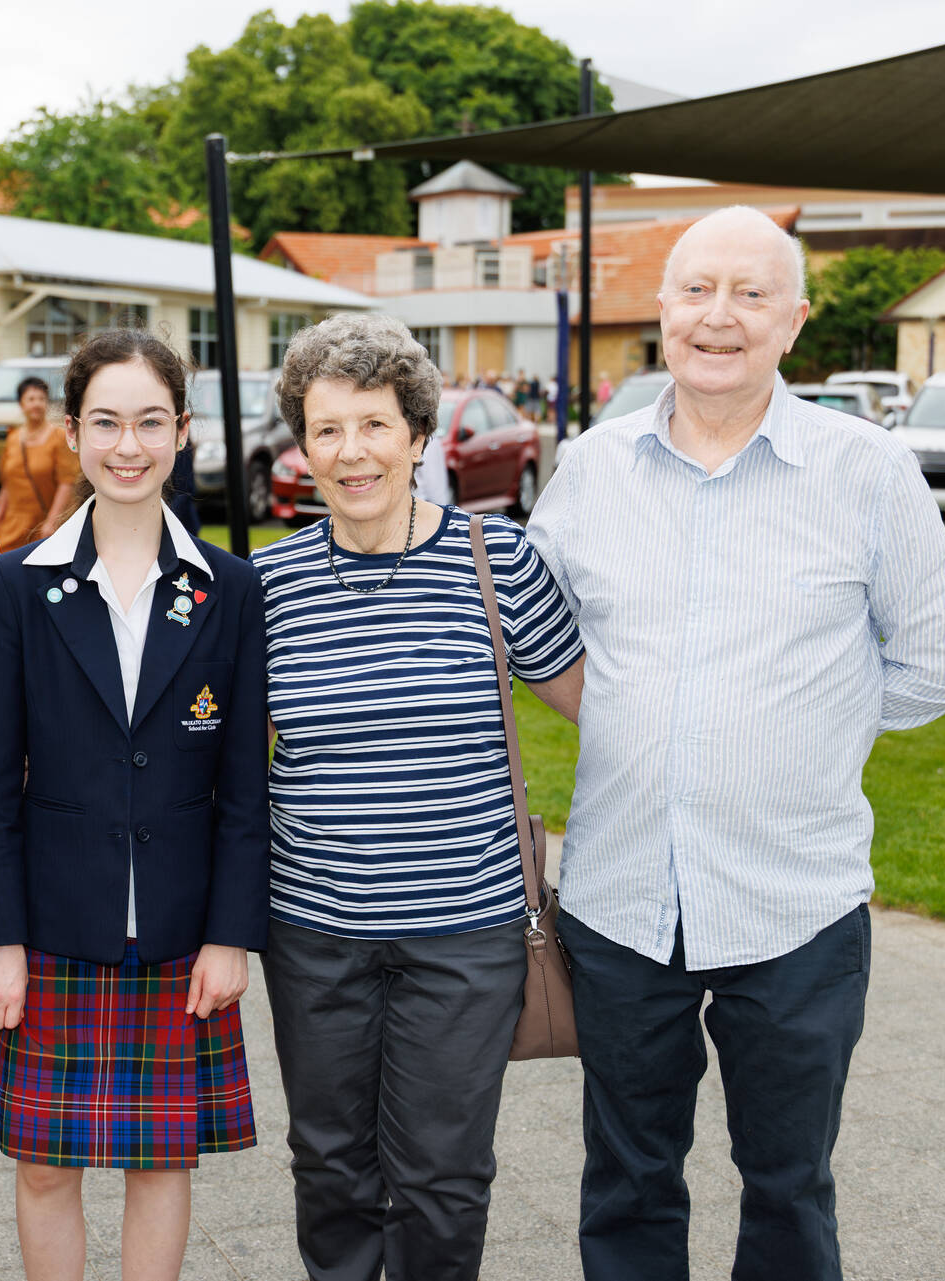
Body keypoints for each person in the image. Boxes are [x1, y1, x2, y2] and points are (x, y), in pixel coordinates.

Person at [526, 206, 945, 1281]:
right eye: (696, 291)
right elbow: (533, 635)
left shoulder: (867, 473)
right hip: (621, 901)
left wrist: (807, 717)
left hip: (796, 906)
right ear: (662, 310)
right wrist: (645, 709)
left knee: (788, 1186)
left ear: (796, 322)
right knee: (628, 1182)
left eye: (749, 294)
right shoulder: (592, 473)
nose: (717, 317)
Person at [251, 312, 585, 1281]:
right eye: (327, 430)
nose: (351, 452)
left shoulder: (498, 564)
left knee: (442, 1179)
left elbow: (605, 720)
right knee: (330, 1170)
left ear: (417, 434)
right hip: (313, 935)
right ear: (303, 444)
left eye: (374, 426)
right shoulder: (264, 590)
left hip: (467, 940)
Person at [0, 328, 269, 1281]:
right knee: (47, 1167)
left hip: (179, 932)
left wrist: (230, 934)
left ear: (183, 432)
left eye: (149, 422)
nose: (127, 446)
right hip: (56, 929)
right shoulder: (18, 584)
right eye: (105, 422)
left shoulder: (229, 586)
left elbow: (245, 787)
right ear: (71, 430)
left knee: (161, 1161)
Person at [0, 375, 78, 552]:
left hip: (43, 526)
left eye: (41, 399)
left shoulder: (59, 437)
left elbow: (66, 483)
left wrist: (51, 522)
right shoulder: (13, 438)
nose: (36, 403)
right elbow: (7, 486)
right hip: (12, 526)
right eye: (31, 399)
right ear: (21, 404)